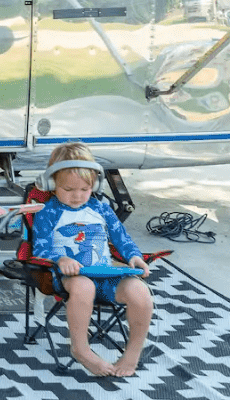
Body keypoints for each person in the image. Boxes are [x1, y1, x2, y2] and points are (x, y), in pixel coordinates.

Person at [31, 143, 153, 377]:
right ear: (51, 183)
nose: (77, 196)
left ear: (95, 185)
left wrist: (134, 256)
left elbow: (121, 238)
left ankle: (132, 353)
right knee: (83, 285)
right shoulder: (47, 212)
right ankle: (81, 349)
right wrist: (60, 258)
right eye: (68, 189)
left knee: (140, 292)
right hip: (69, 278)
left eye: (84, 189)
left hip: (105, 277)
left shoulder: (101, 209)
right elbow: (40, 249)